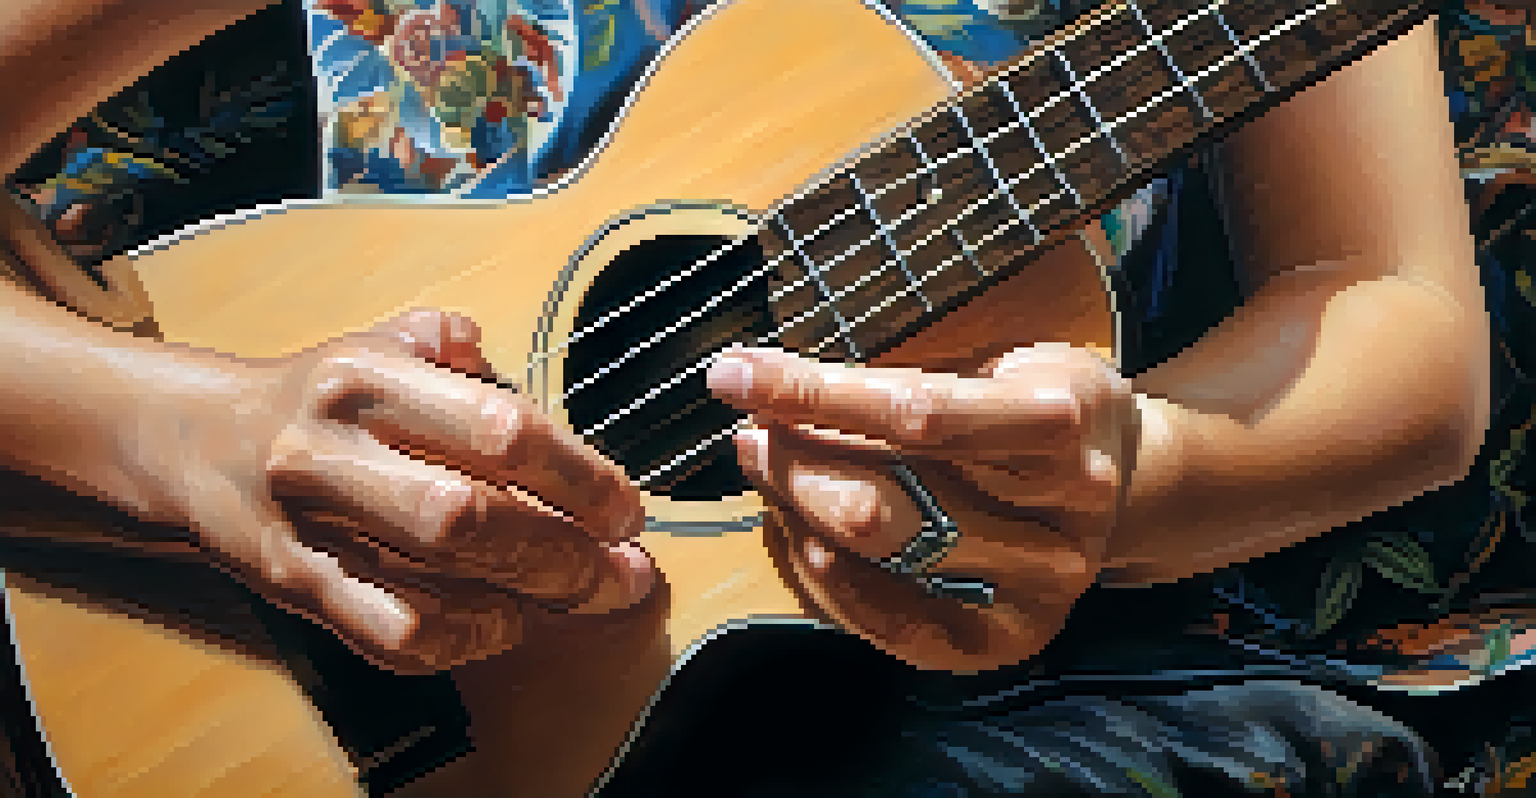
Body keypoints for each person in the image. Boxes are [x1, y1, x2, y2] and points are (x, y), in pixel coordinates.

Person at [0, 0, 1525, 795]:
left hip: (944, 685)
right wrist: (191, 434)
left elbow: (1396, 320)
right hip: (141, 594)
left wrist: (1133, 479)